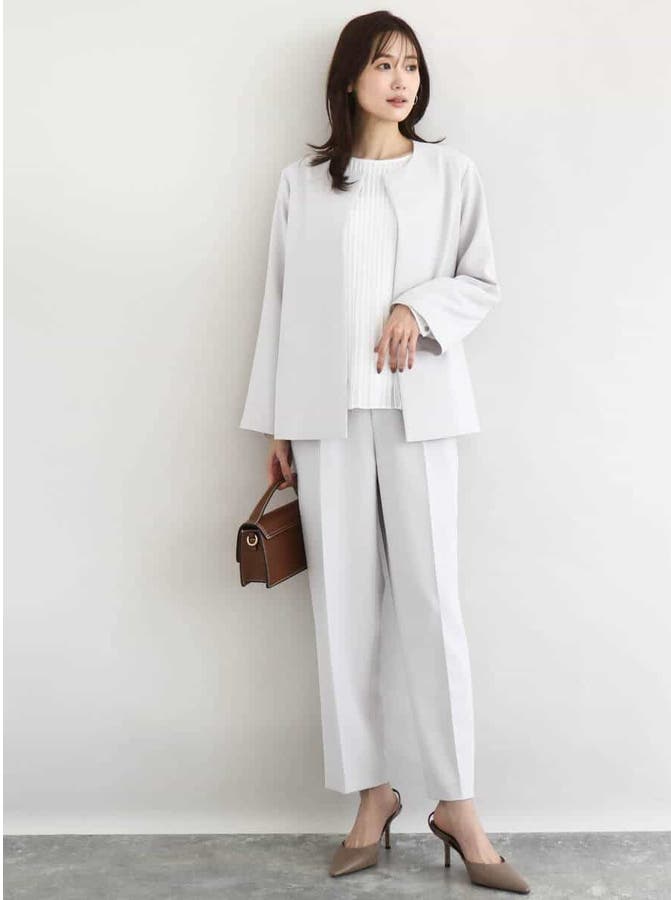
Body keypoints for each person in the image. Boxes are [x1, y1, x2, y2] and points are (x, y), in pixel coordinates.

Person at [239, 11, 530, 894]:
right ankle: (373, 797)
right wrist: (277, 426)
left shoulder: (451, 173)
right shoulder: (302, 183)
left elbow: (481, 279)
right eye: (382, 65)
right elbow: (279, 302)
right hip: (324, 419)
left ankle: (458, 805)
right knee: (344, 616)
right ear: (349, 80)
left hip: (420, 415)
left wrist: (417, 307)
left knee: (434, 608)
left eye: (410, 65)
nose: (400, 80)